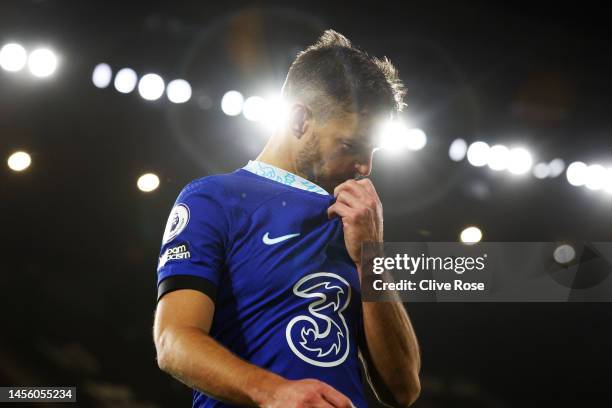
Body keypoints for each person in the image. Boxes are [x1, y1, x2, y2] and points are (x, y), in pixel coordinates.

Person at [153, 29, 421, 408]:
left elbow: (403, 389)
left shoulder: (353, 220)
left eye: (372, 150)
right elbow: (173, 342)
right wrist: (274, 392)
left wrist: (370, 257)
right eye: (351, 146)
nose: (365, 166)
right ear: (299, 120)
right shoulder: (213, 199)